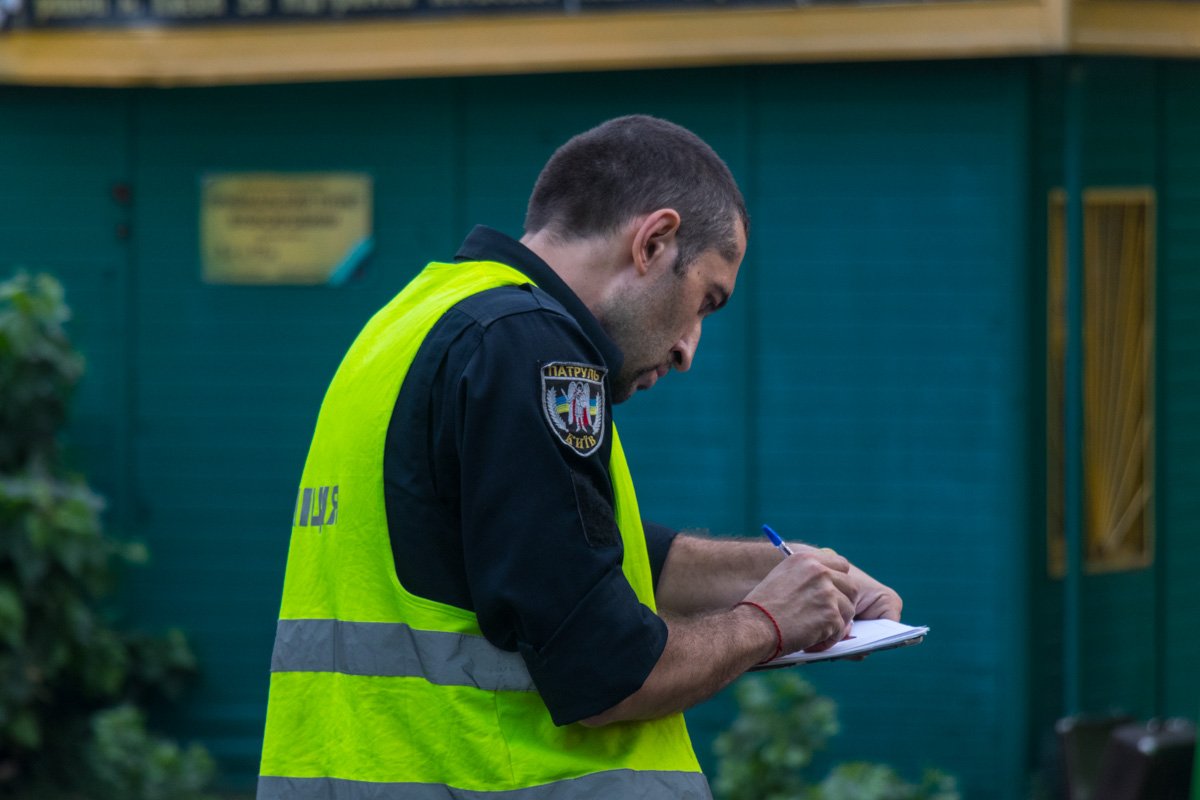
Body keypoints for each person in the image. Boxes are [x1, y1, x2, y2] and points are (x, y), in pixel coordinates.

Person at [257, 115, 902, 800]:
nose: (689, 348)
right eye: (705, 301)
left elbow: (552, 555)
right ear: (654, 240)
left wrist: (785, 570)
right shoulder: (530, 347)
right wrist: (766, 624)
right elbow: (604, 668)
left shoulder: (415, 324)